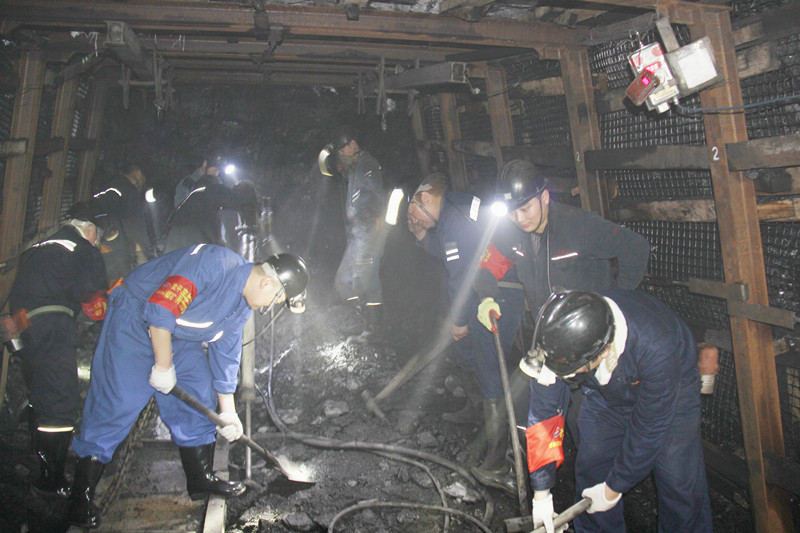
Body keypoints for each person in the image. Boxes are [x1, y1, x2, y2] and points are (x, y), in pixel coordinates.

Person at [67, 245, 309, 529]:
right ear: (267, 283)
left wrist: (228, 412)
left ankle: (200, 478)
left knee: (198, 389)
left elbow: (226, 355)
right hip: (135, 318)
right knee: (118, 400)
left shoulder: (242, 306)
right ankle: (79, 497)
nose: (271, 306)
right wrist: (163, 366)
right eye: (277, 299)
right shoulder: (213, 264)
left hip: (178, 333)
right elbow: (160, 309)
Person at [474, 158, 650, 449]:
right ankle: (541, 474)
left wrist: (614, 306)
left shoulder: (578, 226)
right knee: (537, 420)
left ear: (544, 197)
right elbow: (487, 266)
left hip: (591, 349)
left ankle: (601, 469)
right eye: (513, 211)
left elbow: (636, 248)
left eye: (525, 208)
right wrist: (486, 298)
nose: (519, 218)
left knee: (591, 429)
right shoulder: (512, 233)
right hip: (549, 347)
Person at [521, 289, 713, 533]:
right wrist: (541, 493)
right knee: (593, 470)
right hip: (605, 391)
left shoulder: (657, 346)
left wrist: (613, 489)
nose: (567, 377)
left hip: (672, 390)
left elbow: (649, 428)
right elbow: (544, 417)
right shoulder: (558, 334)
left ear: (603, 351)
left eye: (572, 372)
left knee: (678, 480)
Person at [406, 172, 525, 494]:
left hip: (500, 291)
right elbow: (448, 250)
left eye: (414, 213)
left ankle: (497, 463)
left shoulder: (455, 219)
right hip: (482, 287)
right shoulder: (450, 210)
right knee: (465, 352)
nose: (412, 219)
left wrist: (459, 320)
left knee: (489, 367)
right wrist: (421, 235)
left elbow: (461, 273)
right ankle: (475, 411)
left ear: (427, 198)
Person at [9, 201, 109, 498]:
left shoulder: (43, 246)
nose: (98, 242)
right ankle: (49, 481)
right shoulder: (83, 248)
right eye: (99, 236)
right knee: (60, 401)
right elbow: (92, 295)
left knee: (42, 391)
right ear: (90, 230)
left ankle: (35, 451)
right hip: (52, 324)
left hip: (24, 325)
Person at [320, 125, 387, 337]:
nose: (341, 154)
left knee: (360, 278)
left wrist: (372, 220)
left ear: (353, 144)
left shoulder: (367, 164)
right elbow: (328, 168)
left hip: (368, 231)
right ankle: (364, 323)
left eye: (343, 150)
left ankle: (369, 326)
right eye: (339, 151)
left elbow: (377, 194)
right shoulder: (356, 166)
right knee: (355, 277)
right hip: (360, 231)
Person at [92, 163, 152, 279]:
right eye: (143, 177)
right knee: (118, 283)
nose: (143, 182)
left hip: (100, 245)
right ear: (137, 173)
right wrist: (141, 253)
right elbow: (135, 226)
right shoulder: (129, 191)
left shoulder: (106, 187)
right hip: (119, 252)